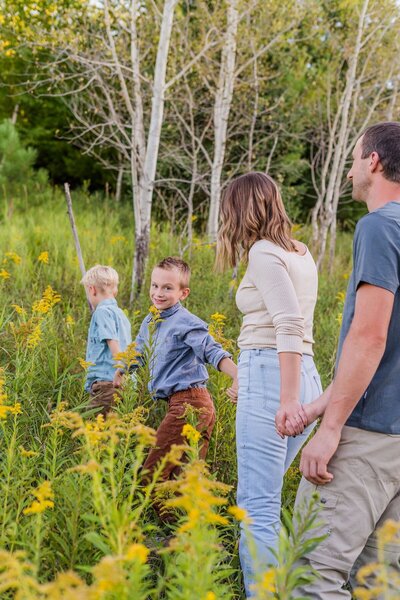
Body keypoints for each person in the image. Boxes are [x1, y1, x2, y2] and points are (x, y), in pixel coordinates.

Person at [283, 121, 400, 599]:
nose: (351, 171)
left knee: (310, 577)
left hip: (366, 438)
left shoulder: (379, 228)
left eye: (354, 159)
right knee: (381, 585)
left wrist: (329, 428)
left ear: (373, 161)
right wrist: (313, 408)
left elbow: (370, 339)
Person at [215, 172, 322, 597]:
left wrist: (284, 397)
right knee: (266, 497)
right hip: (302, 373)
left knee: (255, 506)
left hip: (276, 373)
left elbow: (289, 323)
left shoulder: (262, 252)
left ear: (239, 209)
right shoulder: (300, 250)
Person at [132, 257, 238, 502]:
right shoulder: (151, 320)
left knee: (153, 471)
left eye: (168, 288)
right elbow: (137, 353)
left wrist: (237, 374)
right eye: (154, 285)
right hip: (183, 403)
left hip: (191, 404)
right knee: (183, 480)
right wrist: (118, 375)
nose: (158, 293)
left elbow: (211, 350)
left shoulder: (185, 321)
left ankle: (154, 529)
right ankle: (181, 535)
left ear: (183, 293)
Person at [81, 265, 131, 415]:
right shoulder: (121, 314)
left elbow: (112, 341)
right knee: (115, 432)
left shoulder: (101, 312)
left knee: (96, 431)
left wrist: (120, 370)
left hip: (107, 385)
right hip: (123, 386)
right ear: (114, 290)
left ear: (92, 290)